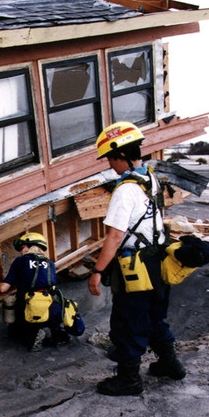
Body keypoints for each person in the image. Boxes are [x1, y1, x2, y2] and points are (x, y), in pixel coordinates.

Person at [88, 121, 186, 396]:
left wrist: (97, 270)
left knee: (128, 322)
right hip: (158, 262)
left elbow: (115, 237)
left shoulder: (125, 190)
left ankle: (129, 380)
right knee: (155, 317)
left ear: (120, 155)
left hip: (135, 267)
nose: (109, 164)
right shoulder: (151, 179)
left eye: (109, 158)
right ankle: (170, 364)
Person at [0, 232, 71, 351]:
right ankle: (56, 332)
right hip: (53, 309)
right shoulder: (50, 263)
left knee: (14, 331)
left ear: (31, 246)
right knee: (50, 305)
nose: (20, 251)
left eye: (22, 247)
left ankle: (35, 335)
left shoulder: (21, 261)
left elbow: (3, 288)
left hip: (30, 310)